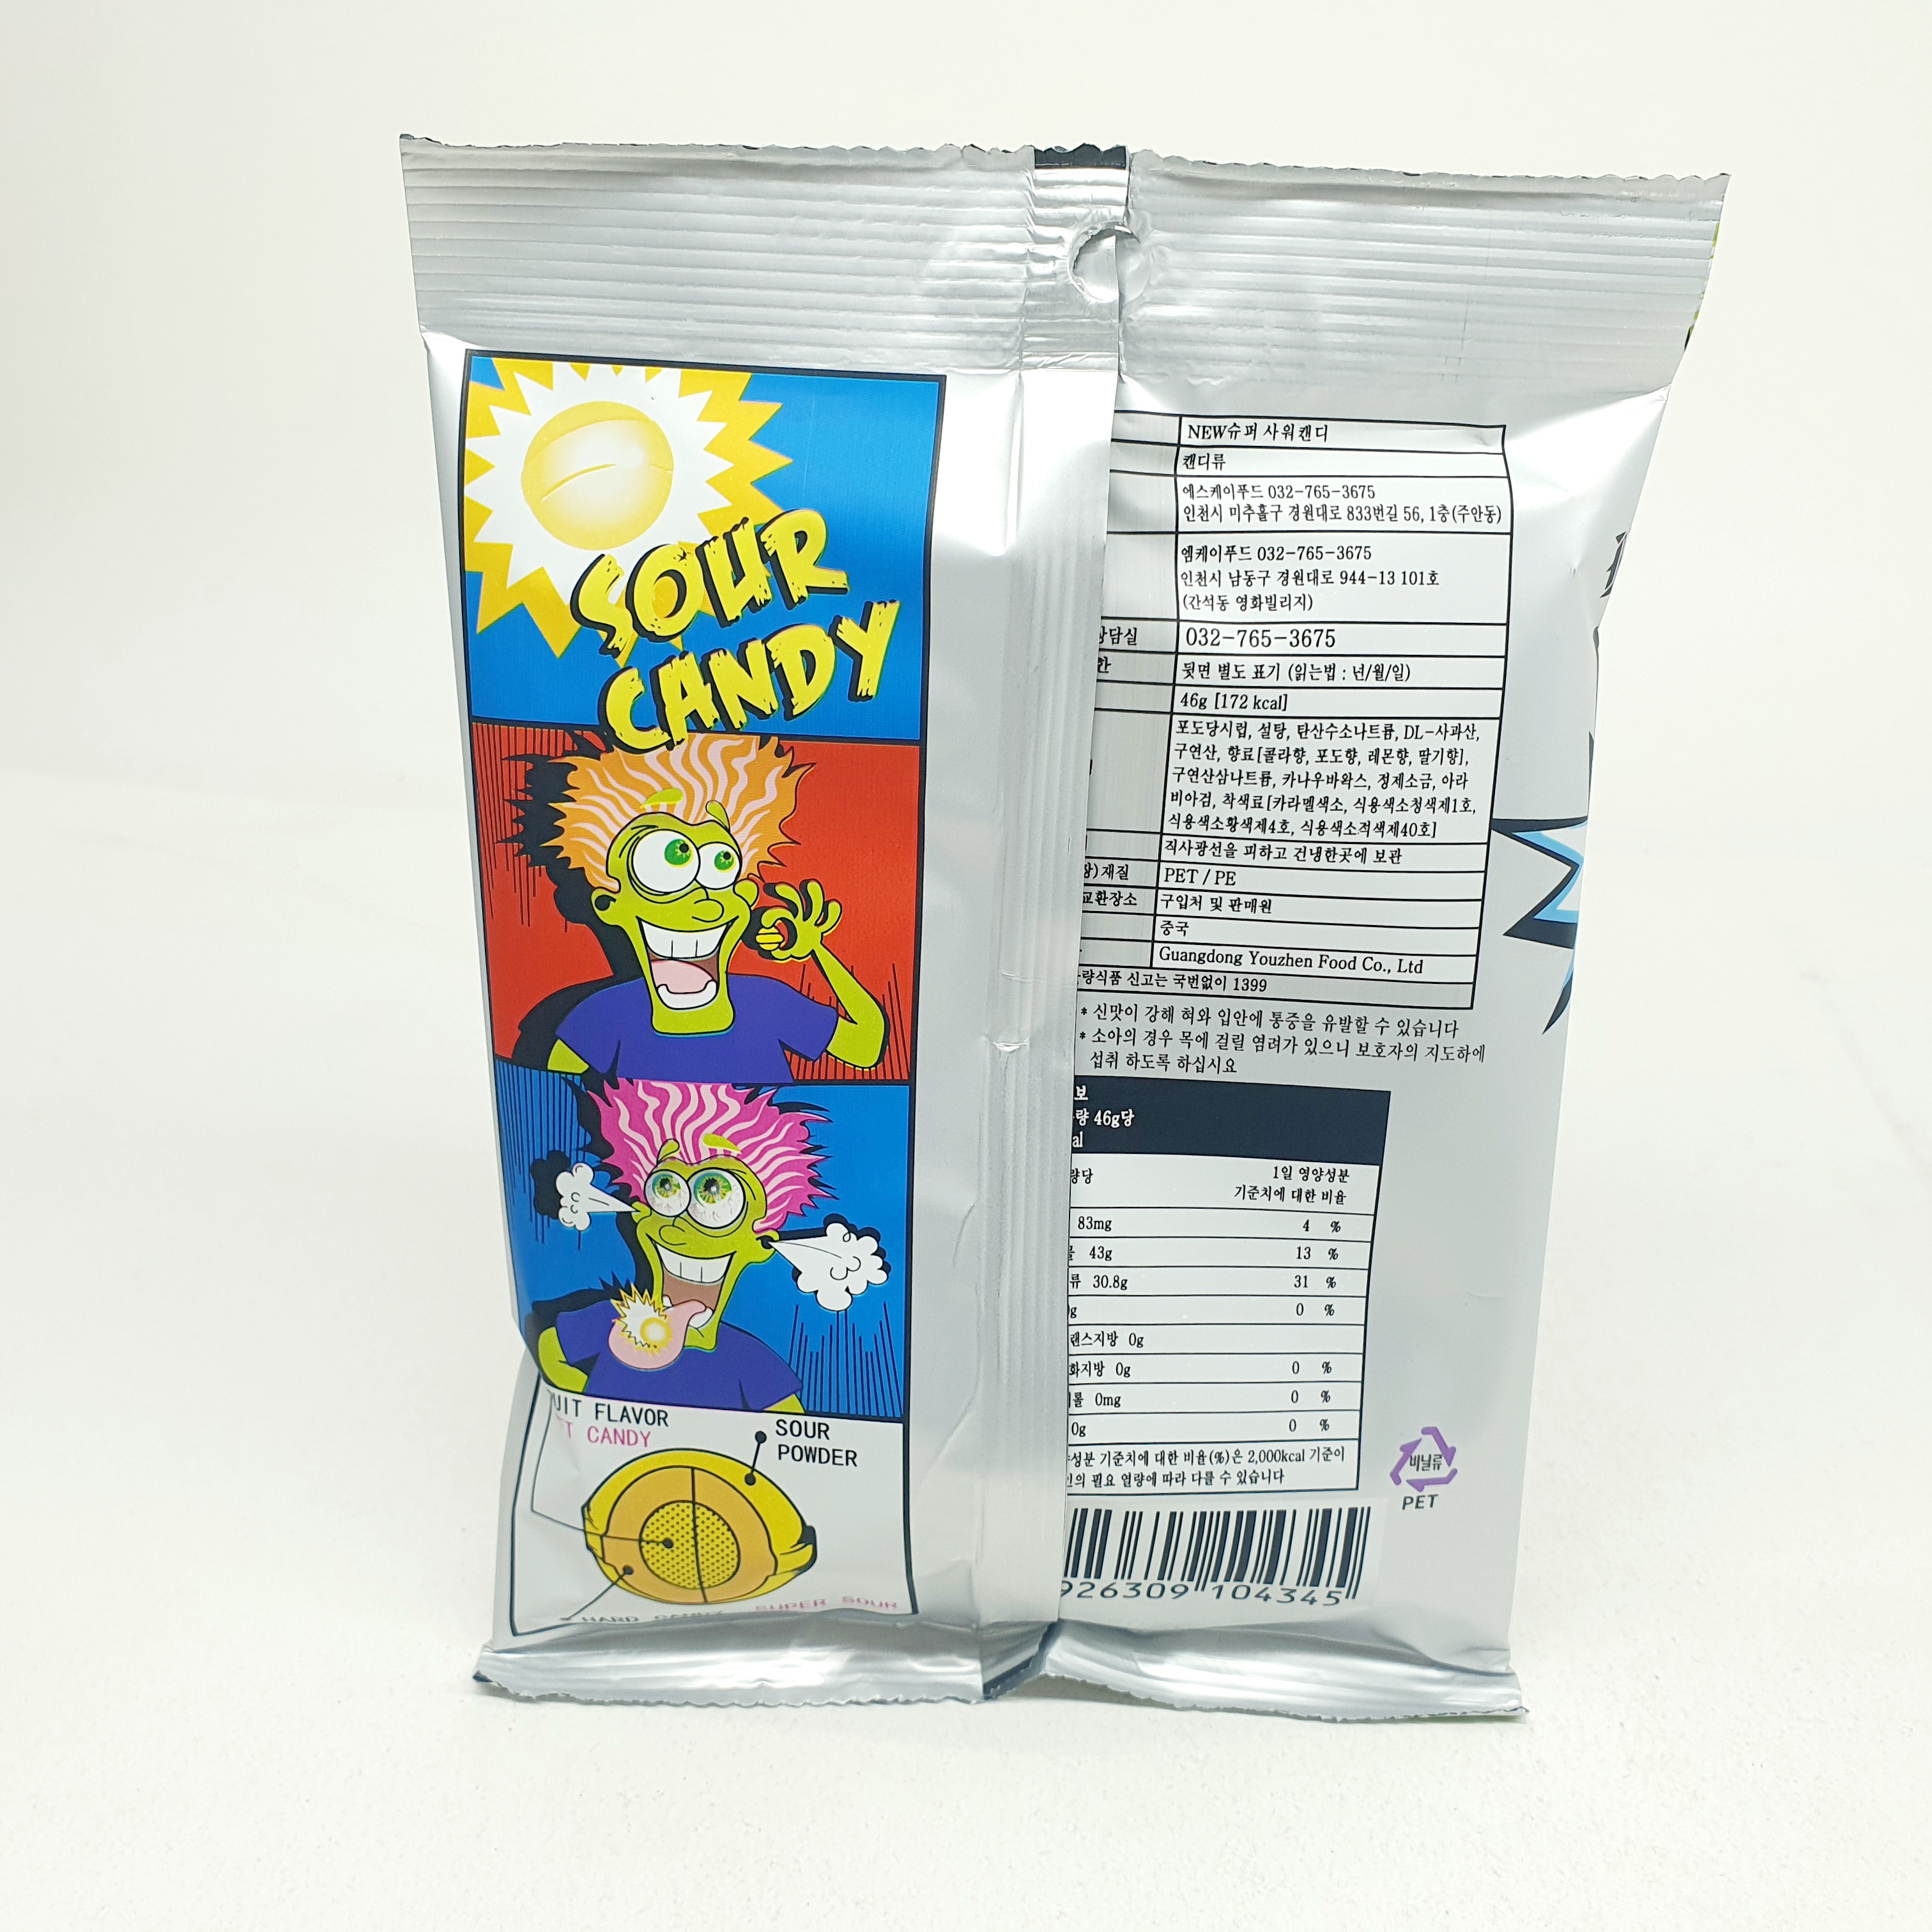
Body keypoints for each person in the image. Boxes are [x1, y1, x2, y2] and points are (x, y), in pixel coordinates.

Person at [535, 733, 884, 1083]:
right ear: (609, 905)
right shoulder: (604, 1015)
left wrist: (818, 950)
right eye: (663, 869)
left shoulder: (768, 1002)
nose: (705, 904)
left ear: (745, 897)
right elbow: (554, 1096)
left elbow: (865, 1047)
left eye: (721, 865)